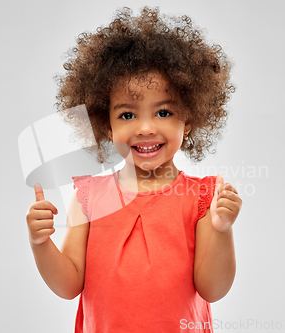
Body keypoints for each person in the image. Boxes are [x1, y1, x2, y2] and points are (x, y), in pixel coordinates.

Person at [26, 6, 242, 333]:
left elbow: (213, 289)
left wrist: (223, 231)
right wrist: (40, 244)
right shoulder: (88, 197)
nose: (144, 128)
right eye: (127, 115)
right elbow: (69, 283)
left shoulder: (202, 198)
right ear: (106, 124)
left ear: (189, 118)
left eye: (164, 112)